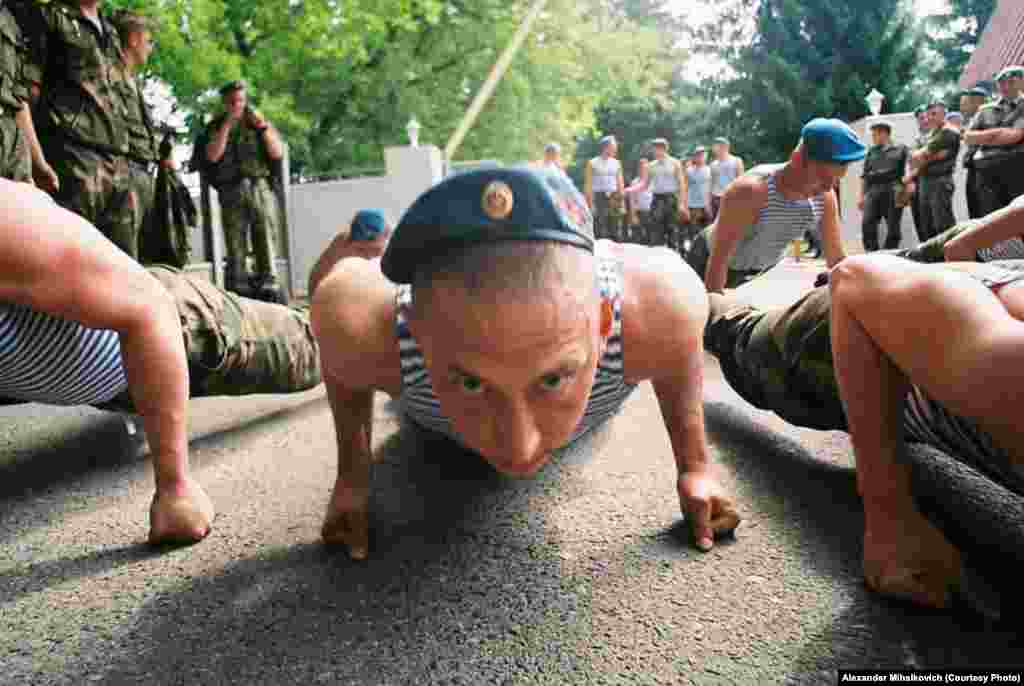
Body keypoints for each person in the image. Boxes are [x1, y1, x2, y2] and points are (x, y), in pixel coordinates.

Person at [310, 167, 739, 561]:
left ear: (603, 324)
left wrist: (695, 467)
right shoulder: (360, 326)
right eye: (471, 383)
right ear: (415, 330)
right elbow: (340, 330)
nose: (519, 448)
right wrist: (352, 476)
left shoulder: (661, 306)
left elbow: (679, 355)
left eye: (553, 379)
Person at [0, 179, 322, 545]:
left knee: (320, 347)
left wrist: (175, 488)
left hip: (185, 327)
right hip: (103, 382)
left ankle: (369, 302)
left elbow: (149, 307)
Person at [703, 255, 1024, 608]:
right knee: (736, 335)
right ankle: (695, 299)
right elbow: (854, 282)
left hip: (942, 314)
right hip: (863, 329)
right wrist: (889, 515)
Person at [20, 0, 157, 258]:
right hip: (73, 160)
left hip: (119, 163)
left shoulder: (110, 30)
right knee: (74, 262)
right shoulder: (50, 17)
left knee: (124, 268)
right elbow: (27, 92)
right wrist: (37, 159)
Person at [684, 118, 859, 292]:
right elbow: (718, 262)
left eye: (836, 180)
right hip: (708, 261)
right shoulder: (752, 191)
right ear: (797, 161)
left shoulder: (824, 197)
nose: (828, 187)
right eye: (823, 178)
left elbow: (836, 259)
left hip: (753, 269)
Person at [201, 80, 287, 303]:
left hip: (258, 185)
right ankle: (238, 288)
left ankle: (269, 286)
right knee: (235, 242)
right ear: (225, 103)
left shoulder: (257, 122)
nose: (237, 105)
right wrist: (227, 126)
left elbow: (277, 152)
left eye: (240, 100)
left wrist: (263, 127)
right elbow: (212, 155)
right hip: (231, 189)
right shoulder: (216, 126)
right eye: (232, 101)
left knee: (265, 237)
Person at [962, 67, 1024, 217]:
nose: (1005, 86)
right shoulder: (985, 110)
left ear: (1022, 82)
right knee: (990, 218)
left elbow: (1014, 136)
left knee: (1018, 218)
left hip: (1016, 170)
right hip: (986, 172)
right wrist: (997, 135)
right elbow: (967, 137)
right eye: (1001, 83)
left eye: (1011, 82)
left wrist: (982, 137)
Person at [897, 193, 1024, 263]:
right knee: (903, 261)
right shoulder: (1020, 211)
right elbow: (955, 248)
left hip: (973, 250)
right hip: (954, 250)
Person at [906, 101, 960, 241]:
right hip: (925, 181)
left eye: (934, 114)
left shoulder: (948, 131)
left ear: (944, 114)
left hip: (940, 181)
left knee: (943, 225)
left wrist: (923, 157)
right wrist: (932, 156)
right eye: (928, 114)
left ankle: (952, 257)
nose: (930, 118)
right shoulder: (932, 134)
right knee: (927, 225)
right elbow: (913, 158)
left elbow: (919, 156)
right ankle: (934, 259)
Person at [308, 209, 392, 295]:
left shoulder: (394, 250)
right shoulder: (339, 249)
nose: (368, 256)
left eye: (375, 250)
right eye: (360, 250)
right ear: (347, 243)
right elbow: (315, 288)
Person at [857, 121, 909, 251]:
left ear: (884, 133)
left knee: (893, 228)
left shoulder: (901, 149)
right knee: (867, 224)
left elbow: (908, 171)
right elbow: (864, 176)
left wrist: (907, 192)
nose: (873, 138)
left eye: (875, 135)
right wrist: (861, 196)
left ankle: (888, 254)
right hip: (873, 191)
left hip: (894, 189)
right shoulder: (871, 151)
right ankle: (872, 253)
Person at [629, 138, 687, 252]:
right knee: (656, 232)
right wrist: (629, 190)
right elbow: (644, 185)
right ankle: (657, 258)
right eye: (653, 149)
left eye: (656, 149)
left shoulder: (675, 163)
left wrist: (681, 204)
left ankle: (673, 258)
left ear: (664, 149)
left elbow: (682, 185)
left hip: (671, 199)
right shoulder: (650, 166)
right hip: (657, 199)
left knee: (672, 232)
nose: (654, 151)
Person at [583, 135, 625, 242]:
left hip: (614, 196)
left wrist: (622, 203)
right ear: (606, 147)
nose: (615, 149)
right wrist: (589, 204)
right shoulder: (592, 163)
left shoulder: (616, 163)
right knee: (599, 227)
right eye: (613, 146)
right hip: (599, 197)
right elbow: (588, 185)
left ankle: (616, 254)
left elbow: (620, 183)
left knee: (615, 227)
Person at [960, 85, 992, 219]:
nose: (968, 103)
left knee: (985, 212)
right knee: (974, 210)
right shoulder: (972, 119)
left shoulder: (989, 116)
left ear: (981, 101)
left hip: (985, 169)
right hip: (973, 168)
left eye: (972, 100)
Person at [907, 106, 931, 238]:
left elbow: (925, 160)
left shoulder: (936, 135)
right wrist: (910, 180)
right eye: (921, 118)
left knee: (931, 220)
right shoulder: (916, 140)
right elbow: (911, 162)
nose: (924, 120)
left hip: (930, 180)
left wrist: (910, 176)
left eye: (926, 117)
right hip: (916, 182)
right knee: (919, 218)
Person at [709, 137, 744, 223]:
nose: (714, 148)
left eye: (716, 146)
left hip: (732, 197)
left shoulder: (736, 160)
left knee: (732, 223)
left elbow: (741, 180)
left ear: (725, 147)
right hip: (717, 198)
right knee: (717, 224)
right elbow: (711, 183)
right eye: (714, 146)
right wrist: (709, 201)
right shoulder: (713, 164)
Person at [684, 146, 711, 249]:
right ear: (694, 157)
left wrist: (710, 204)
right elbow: (685, 189)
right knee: (693, 233)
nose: (701, 157)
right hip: (693, 206)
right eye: (698, 155)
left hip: (707, 206)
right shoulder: (688, 171)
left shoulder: (710, 170)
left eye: (703, 155)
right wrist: (685, 206)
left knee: (707, 233)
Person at [626, 158, 653, 245]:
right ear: (639, 169)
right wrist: (633, 215)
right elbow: (632, 200)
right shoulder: (634, 182)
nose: (643, 169)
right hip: (639, 212)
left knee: (651, 237)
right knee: (637, 238)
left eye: (645, 168)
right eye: (641, 167)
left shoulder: (653, 181)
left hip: (651, 212)